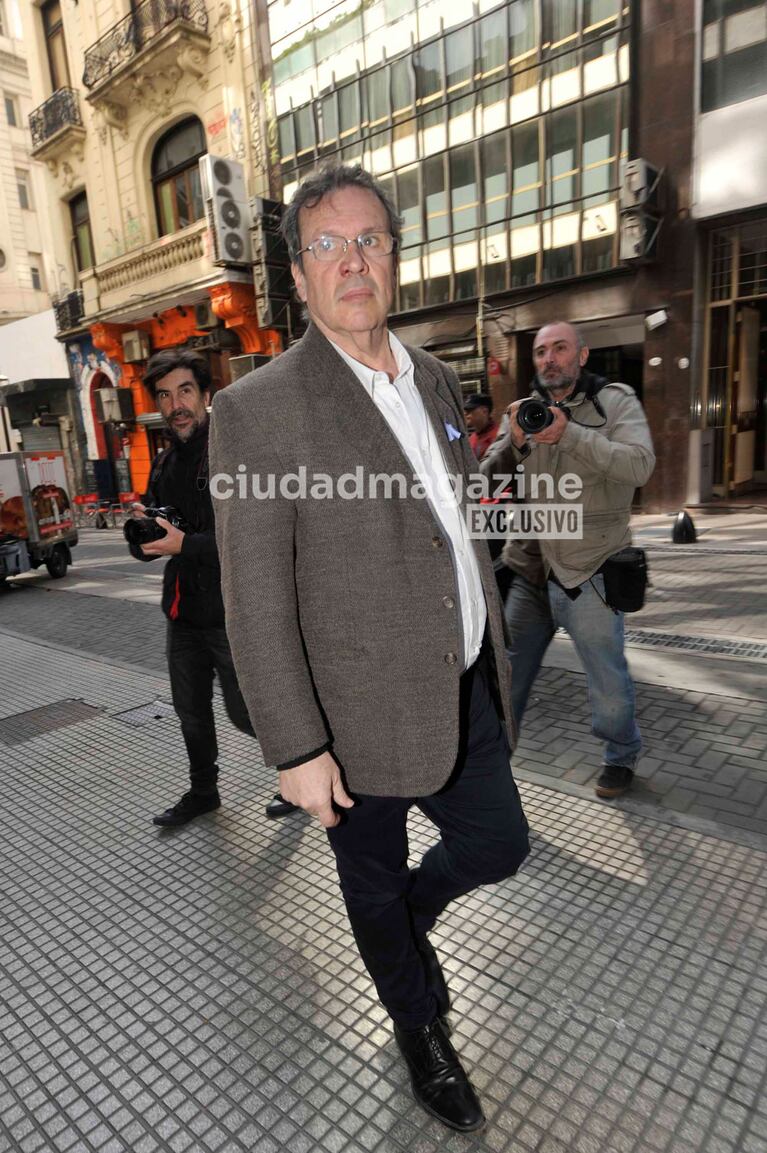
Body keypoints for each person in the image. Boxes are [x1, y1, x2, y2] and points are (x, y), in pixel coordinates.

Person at [209, 164, 529, 1132]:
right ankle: (419, 1026)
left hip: (460, 682)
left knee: (497, 843)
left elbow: (449, 523)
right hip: (346, 723)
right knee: (371, 883)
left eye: (371, 241)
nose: (353, 261)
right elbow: (252, 594)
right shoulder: (257, 408)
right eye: (327, 245)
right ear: (298, 280)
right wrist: (294, 746)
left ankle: (403, 929)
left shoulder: (435, 376)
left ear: (394, 257)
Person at [481, 321, 655, 799]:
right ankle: (494, 770)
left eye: (560, 349)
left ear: (581, 355)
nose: (548, 359)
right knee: (507, 681)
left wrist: (571, 434)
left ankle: (620, 755)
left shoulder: (614, 402)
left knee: (607, 682)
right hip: (529, 570)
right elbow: (484, 481)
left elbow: (640, 464)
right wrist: (514, 442)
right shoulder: (522, 412)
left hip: (592, 571)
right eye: (540, 352)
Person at [133, 348, 297, 827]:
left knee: (247, 712)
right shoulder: (162, 464)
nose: (175, 404)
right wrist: (143, 537)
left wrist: (184, 546)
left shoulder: (233, 454)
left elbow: (249, 537)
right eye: (164, 395)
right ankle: (203, 792)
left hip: (233, 613)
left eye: (185, 391)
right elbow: (159, 540)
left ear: (206, 396)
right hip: (182, 614)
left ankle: (300, 772)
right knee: (190, 712)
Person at [463, 393, 499, 461]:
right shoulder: (472, 439)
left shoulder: (497, 437)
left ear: (484, 411)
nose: (466, 413)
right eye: (466, 410)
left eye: (470, 409)